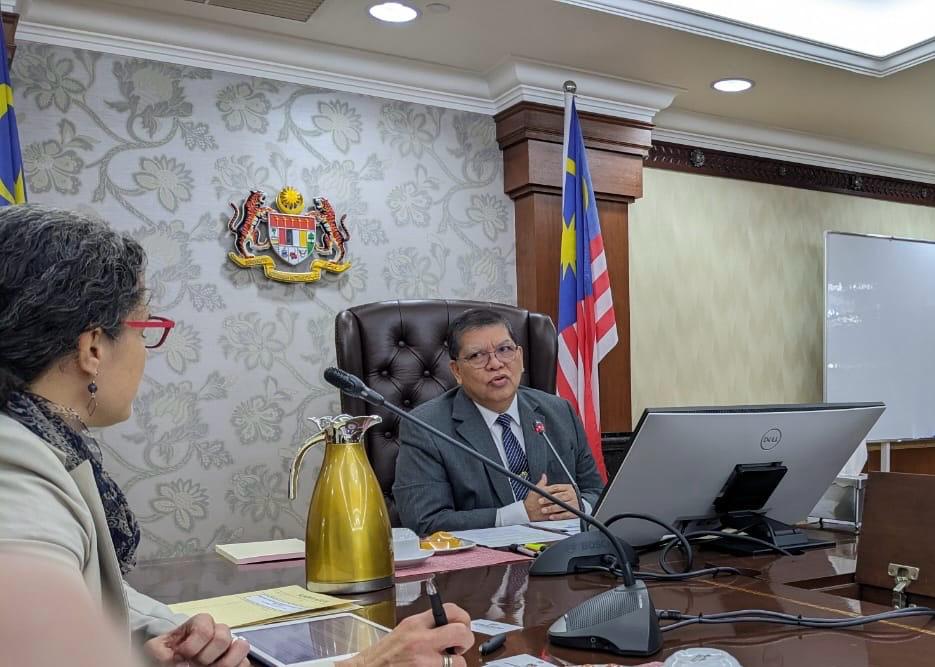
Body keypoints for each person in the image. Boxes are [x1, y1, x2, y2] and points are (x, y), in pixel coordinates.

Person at [0, 204, 474, 666]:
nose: (145, 351)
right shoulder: (15, 470)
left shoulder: (40, 440)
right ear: (92, 348)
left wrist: (154, 645)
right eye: (145, 329)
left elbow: (102, 602)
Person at [393, 308, 605, 535]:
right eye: (477, 355)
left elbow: (597, 492)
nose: (495, 364)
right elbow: (424, 522)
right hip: (483, 556)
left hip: (563, 550)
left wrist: (582, 505)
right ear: (457, 371)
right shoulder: (425, 427)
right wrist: (519, 514)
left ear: (520, 357)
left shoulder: (559, 412)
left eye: (504, 350)